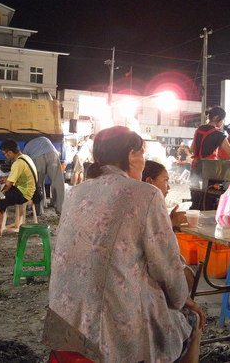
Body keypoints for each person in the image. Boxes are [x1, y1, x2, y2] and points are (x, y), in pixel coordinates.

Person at [43, 126, 205, 362]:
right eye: (142, 154)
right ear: (131, 155)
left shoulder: (76, 192)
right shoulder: (146, 194)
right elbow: (166, 267)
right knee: (193, 320)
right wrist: (184, 300)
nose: (143, 161)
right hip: (114, 329)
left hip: (66, 319)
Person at [142, 160, 195, 290]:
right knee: (186, 275)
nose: (169, 188)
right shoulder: (145, 207)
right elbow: (154, 245)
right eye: (165, 181)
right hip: (143, 277)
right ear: (150, 182)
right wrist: (170, 223)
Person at [0, 140, 37, 237]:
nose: (5, 156)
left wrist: (0, 194)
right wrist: (7, 180)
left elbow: (8, 186)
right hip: (29, 190)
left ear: (10, 152)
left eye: (5, 154)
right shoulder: (25, 157)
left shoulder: (17, 163)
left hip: (23, 193)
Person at [23, 136, 65, 215]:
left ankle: (39, 211)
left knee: (38, 185)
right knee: (57, 182)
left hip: (37, 158)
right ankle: (60, 208)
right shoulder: (43, 139)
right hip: (52, 154)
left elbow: (24, 162)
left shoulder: (27, 147)